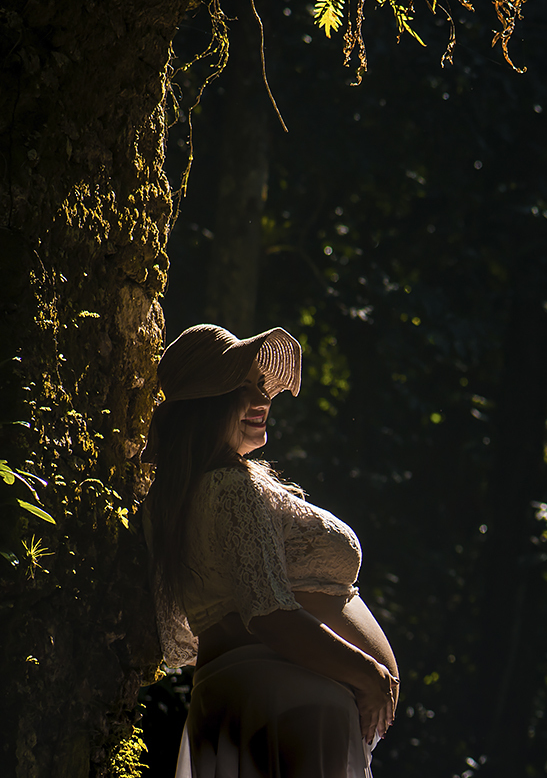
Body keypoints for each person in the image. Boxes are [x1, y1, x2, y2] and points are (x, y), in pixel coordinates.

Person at [142, 324, 400, 778]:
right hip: (288, 703)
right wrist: (370, 675)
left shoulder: (172, 501)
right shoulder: (231, 487)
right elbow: (270, 616)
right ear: (207, 403)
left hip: (246, 702)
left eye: (262, 385)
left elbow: (197, 633)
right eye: (244, 388)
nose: (263, 400)